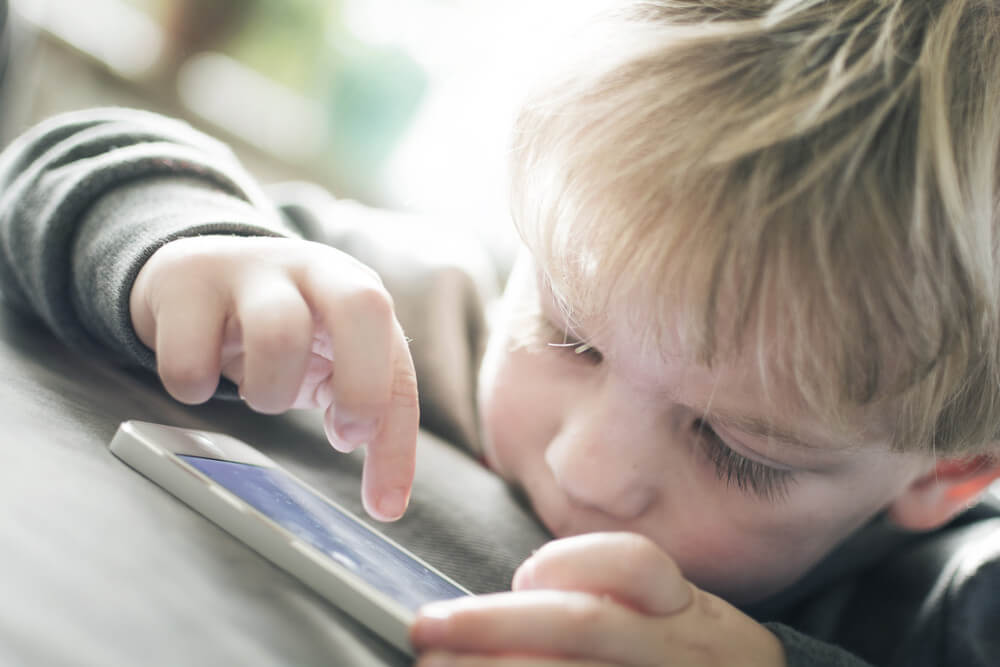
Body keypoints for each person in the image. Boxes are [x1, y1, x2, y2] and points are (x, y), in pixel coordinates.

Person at [1, 1, 998, 665]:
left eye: (737, 446)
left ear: (944, 473)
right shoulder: (424, 307)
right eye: (568, 336)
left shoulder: (954, 605)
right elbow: (64, 161)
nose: (589, 463)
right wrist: (186, 246)